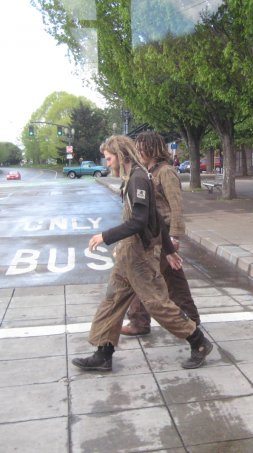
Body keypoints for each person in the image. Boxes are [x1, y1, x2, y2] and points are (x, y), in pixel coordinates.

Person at [71, 135, 212, 371]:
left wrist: (105, 236)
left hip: (138, 257)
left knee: (157, 303)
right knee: (113, 300)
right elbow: (154, 216)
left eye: (108, 158)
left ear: (120, 155)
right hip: (128, 254)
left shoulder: (138, 178)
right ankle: (103, 352)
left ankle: (198, 342)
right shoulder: (134, 177)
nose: (107, 164)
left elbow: (139, 221)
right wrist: (168, 250)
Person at [120, 131, 201, 336]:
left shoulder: (165, 172)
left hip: (162, 234)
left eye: (141, 147)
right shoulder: (147, 172)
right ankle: (189, 320)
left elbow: (176, 205)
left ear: (152, 148)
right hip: (153, 235)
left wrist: (174, 236)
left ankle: (142, 322)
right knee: (169, 281)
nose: (138, 151)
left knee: (149, 279)